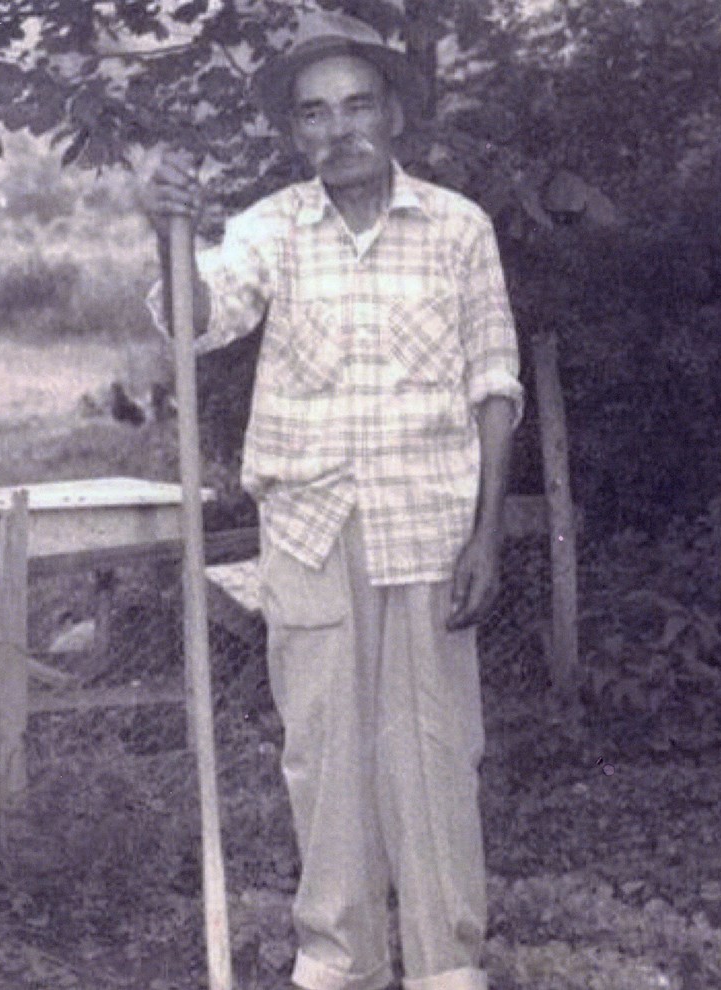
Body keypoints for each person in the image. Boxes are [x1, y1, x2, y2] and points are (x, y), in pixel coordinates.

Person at [145, 11, 522, 990]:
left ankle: (446, 966)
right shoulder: (272, 227)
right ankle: (336, 964)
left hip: (432, 527)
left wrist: (487, 532)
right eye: (315, 114)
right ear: (295, 132)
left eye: (358, 105)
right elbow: (200, 317)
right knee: (325, 760)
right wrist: (168, 239)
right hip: (309, 529)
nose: (339, 129)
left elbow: (494, 384)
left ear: (394, 113)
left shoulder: (457, 228)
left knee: (435, 758)